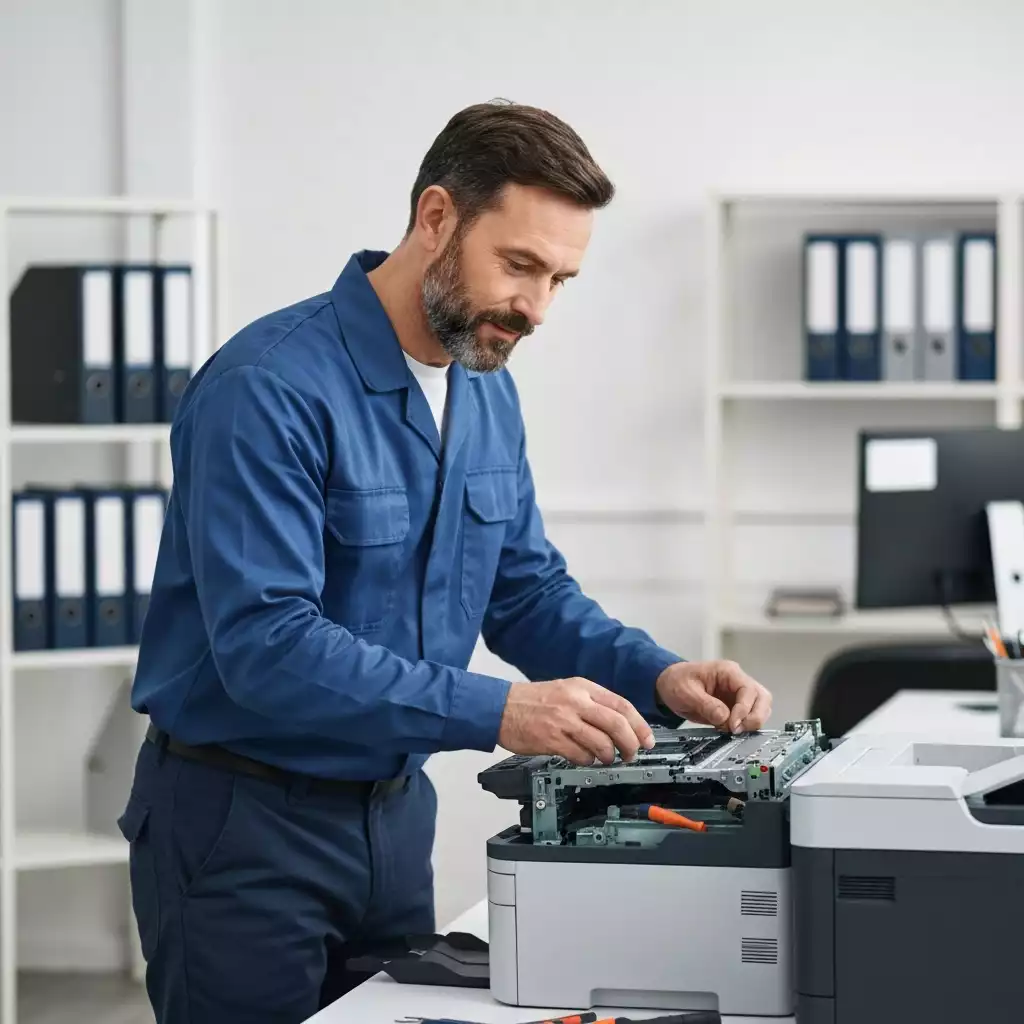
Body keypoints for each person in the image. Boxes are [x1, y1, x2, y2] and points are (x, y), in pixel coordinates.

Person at [118, 99, 773, 1023]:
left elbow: (525, 592)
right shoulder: (266, 389)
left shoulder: (484, 387)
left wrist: (662, 677)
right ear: (436, 219)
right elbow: (266, 643)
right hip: (241, 830)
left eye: (560, 279)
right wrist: (501, 710)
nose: (537, 308)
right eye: (519, 266)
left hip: (392, 822)